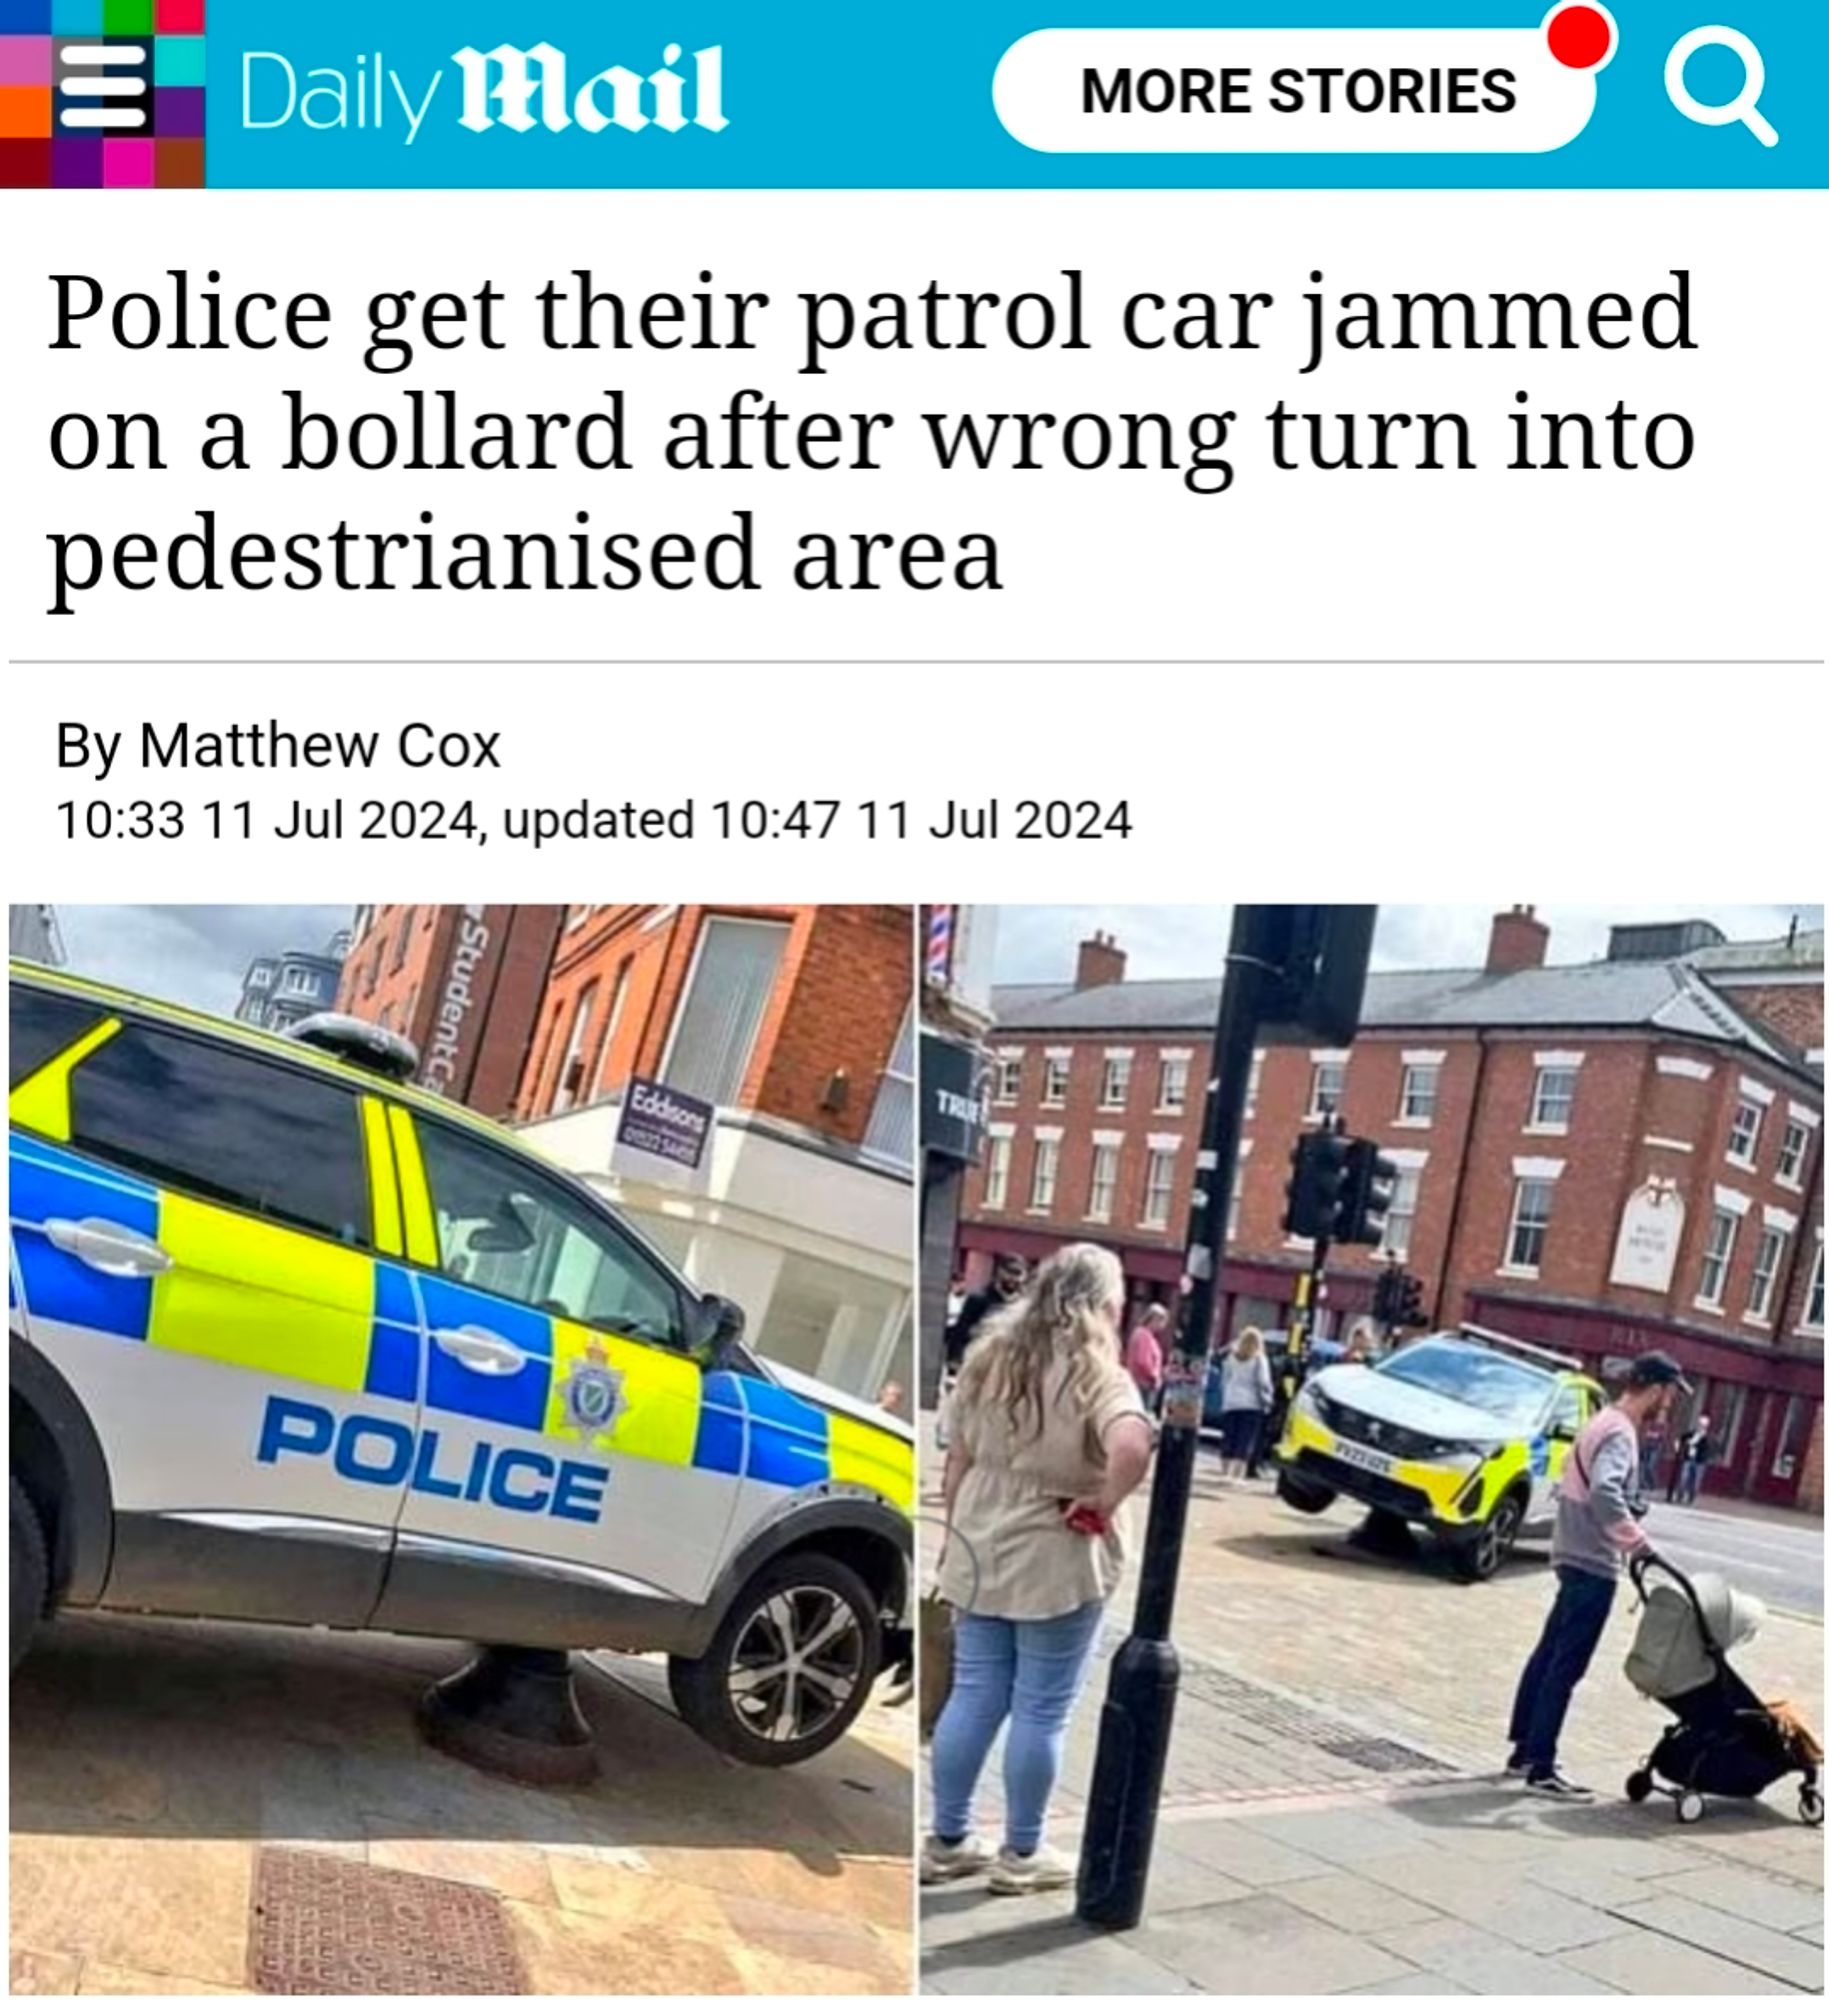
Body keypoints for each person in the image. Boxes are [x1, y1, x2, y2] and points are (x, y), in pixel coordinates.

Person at [923, 1243, 1154, 1896]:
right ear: (1105, 1303)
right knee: (1041, 1710)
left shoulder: (988, 1356)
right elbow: (1133, 1444)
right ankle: (1021, 1852)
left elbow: (957, 1460)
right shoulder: (1097, 1373)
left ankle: (946, 1840)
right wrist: (1105, 1502)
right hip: (1056, 1550)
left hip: (978, 1536)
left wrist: (952, 1535)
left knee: (973, 1692)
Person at [1506, 1349, 1687, 1799]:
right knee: (1565, 1666)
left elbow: (1578, 1479)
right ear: (1657, 1388)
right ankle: (1541, 1766)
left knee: (1547, 1654)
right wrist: (1637, 1543)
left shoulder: (1601, 1419)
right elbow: (1605, 1492)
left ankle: (1523, 1750)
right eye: (1669, 1393)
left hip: (1570, 1552)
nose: (1670, 1402)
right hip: (1592, 1561)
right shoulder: (1622, 1433)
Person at [945, 1254, 1028, 1371]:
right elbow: (961, 1332)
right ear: (999, 1271)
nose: (1013, 1278)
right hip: (978, 1364)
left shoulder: (1025, 1306)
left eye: (1018, 1274)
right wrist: (955, 1361)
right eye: (1010, 1272)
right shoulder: (979, 1300)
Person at [1217, 1325, 1274, 1480]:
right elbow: (1264, 1382)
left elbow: (1225, 1378)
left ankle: (1225, 1472)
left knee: (1229, 1436)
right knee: (1245, 1439)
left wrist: (1226, 1395)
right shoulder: (1259, 1360)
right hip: (1251, 1404)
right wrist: (1269, 1397)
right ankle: (1237, 1475)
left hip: (1231, 1401)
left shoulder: (1231, 1357)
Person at [1125, 1302, 1170, 1405]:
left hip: (1139, 1383)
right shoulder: (1144, 1335)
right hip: (1143, 1384)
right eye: (1161, 1321)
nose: (1162, 1326)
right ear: (1154, 1319)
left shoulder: (1142, 1334)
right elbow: (1142, 1360)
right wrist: (1154, 1377)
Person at [1675, 1414, 1713, 1505]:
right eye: (1699, 1425)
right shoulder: (1691, 1434)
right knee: (1683, 1478)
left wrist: (1700, 1440)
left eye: (1703, 1426)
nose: (1700, 1427)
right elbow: (1681, 1439)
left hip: (1699, 1461)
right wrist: (1678, 1447)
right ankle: (1680, 1496)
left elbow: (1708, 1448)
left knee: (1695, 1481)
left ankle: (1691, 1498)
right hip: (1689, 1459)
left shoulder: (1707, 1437)